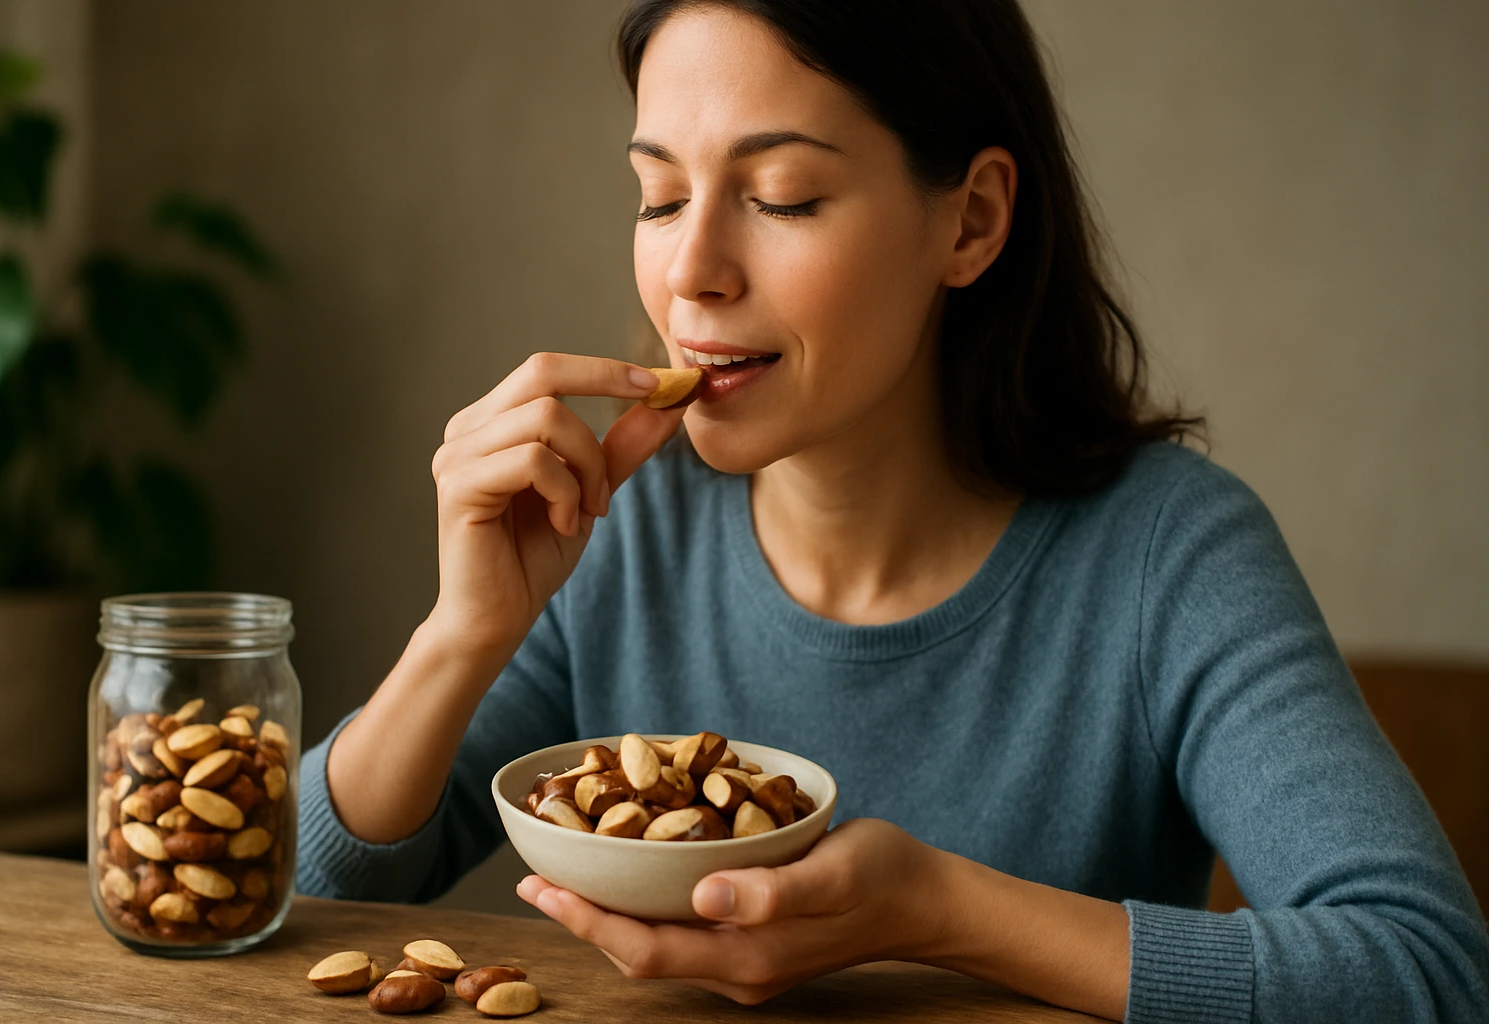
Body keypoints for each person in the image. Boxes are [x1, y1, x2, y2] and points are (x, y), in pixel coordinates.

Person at [296, 1, 1489, 1020]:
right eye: (659, 197)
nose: (692, 271)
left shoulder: (1170, 555)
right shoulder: (624, 522)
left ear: (969, 220)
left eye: (783, 196)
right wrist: (462, 636)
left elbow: (1423, 968)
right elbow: (277, 893)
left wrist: (940, 911)